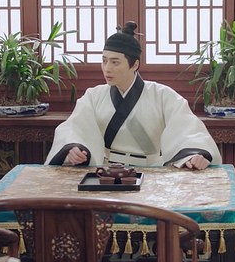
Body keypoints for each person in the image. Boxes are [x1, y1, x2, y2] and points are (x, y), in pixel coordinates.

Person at [45, 21, 222, 169]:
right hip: (104, 172)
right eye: (104, 61)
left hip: (152, 173)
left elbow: (187, 129)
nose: (107, 68)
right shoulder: (93, 96)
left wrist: (193, 154)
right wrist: (74, 148)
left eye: (115, 62)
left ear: (135, 65)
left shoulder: (162, 96)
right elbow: (75, 128)